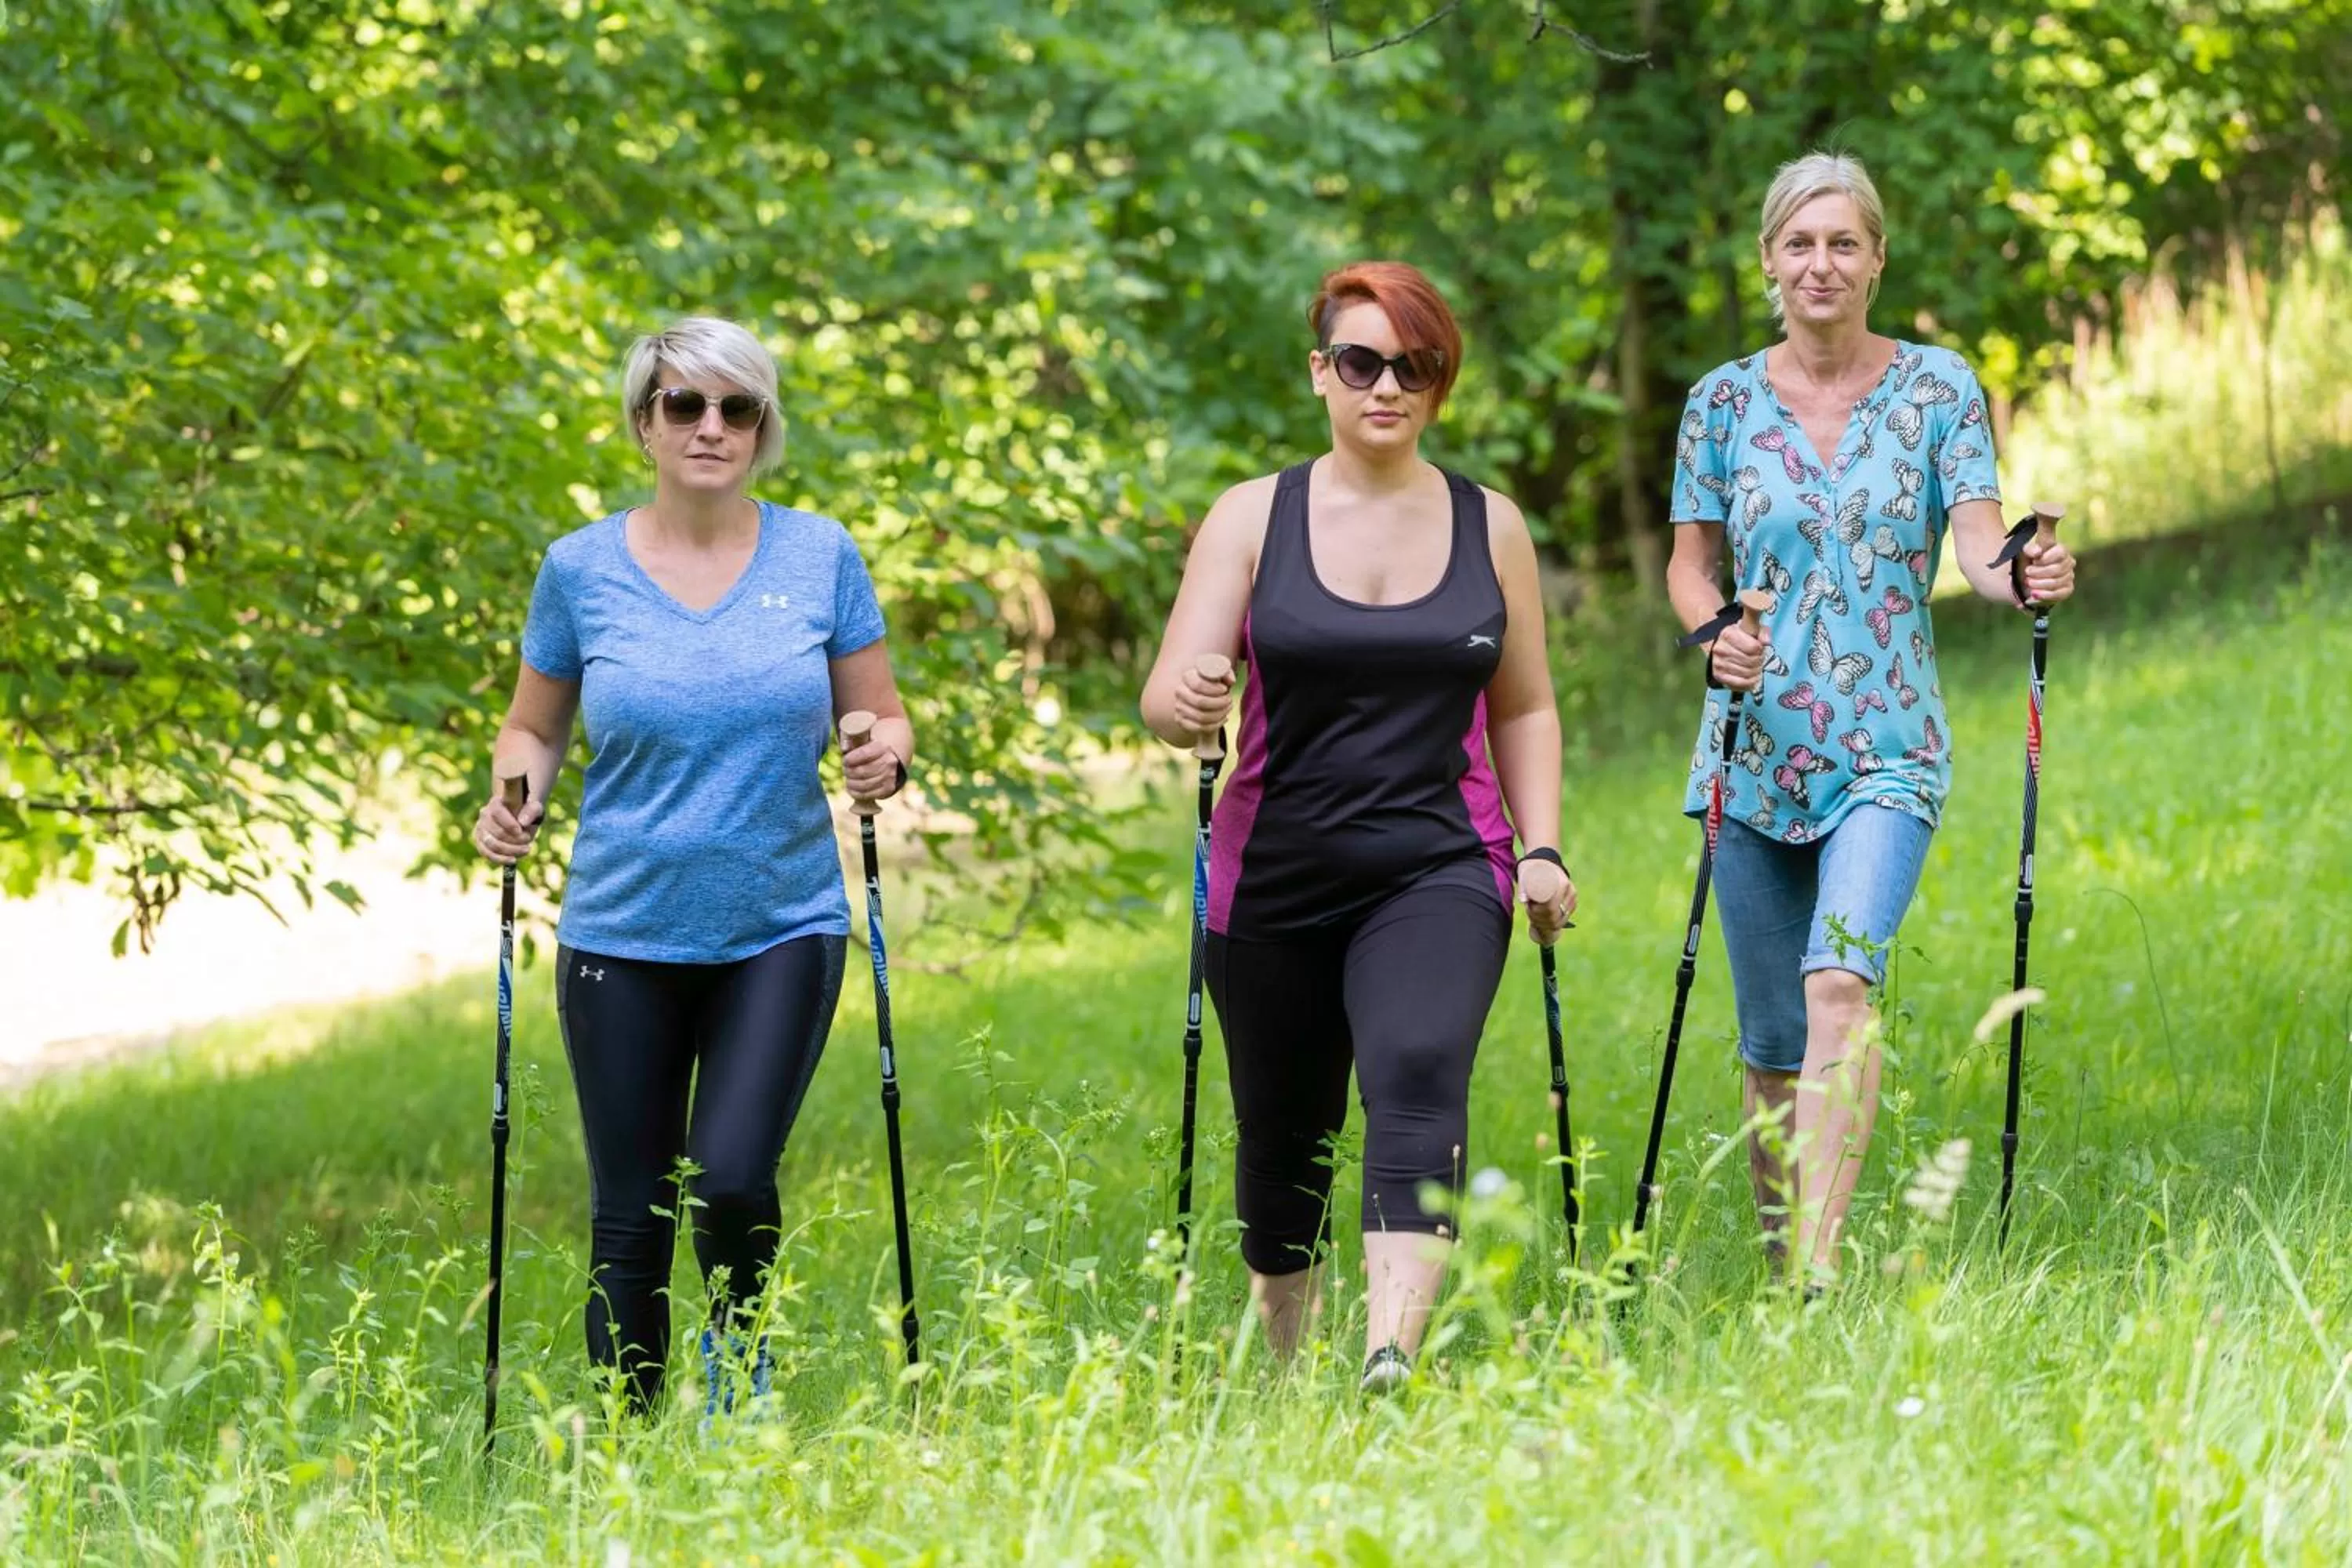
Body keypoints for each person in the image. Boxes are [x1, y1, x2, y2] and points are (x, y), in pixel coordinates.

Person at [1141, 261, 1574, 1392]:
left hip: (1439, 861)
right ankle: (1286, 1367)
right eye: (1362, 362)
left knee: (1420, 1067)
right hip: (1271, 873)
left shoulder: (1493, 526)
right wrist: (1185, 696)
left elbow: (1524, 703)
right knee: (1282, 1136)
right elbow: (1168, 689)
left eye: (1413, 366)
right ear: (1320, 373)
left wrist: (1541, 846)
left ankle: (1389, 1355)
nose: (1387, 386)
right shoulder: (1253, 515)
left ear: (1439, 383)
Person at [471, 316, 913, 1417]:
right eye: (685, 405)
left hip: (782, 921)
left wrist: (879, 760)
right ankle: (628, 1442)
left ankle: (738, 1386)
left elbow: (884, 720)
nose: (711, 427)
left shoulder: (821, 556)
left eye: (737, 408)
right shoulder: (578, 569)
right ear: (644, 421)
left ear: (763, 428)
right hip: (620, 927)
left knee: (725, 1179)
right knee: (629, 1215)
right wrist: (511, 793)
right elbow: (532, 728)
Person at [1664, 152, 2077, 1286]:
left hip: (1886, 752)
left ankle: (1818, 1266)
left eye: (1844, 243)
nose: (1822, 264)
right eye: (1800, 244)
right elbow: (1691, 569)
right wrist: (1717, 640)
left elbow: (1984, 553)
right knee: (1773, 1047)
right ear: (1768, 262)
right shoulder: (1721, 405)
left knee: (1839, 981)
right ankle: (1778, 1263)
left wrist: (2026, 572)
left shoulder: (1941, 390)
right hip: (1749, 759)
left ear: (1878, 258)